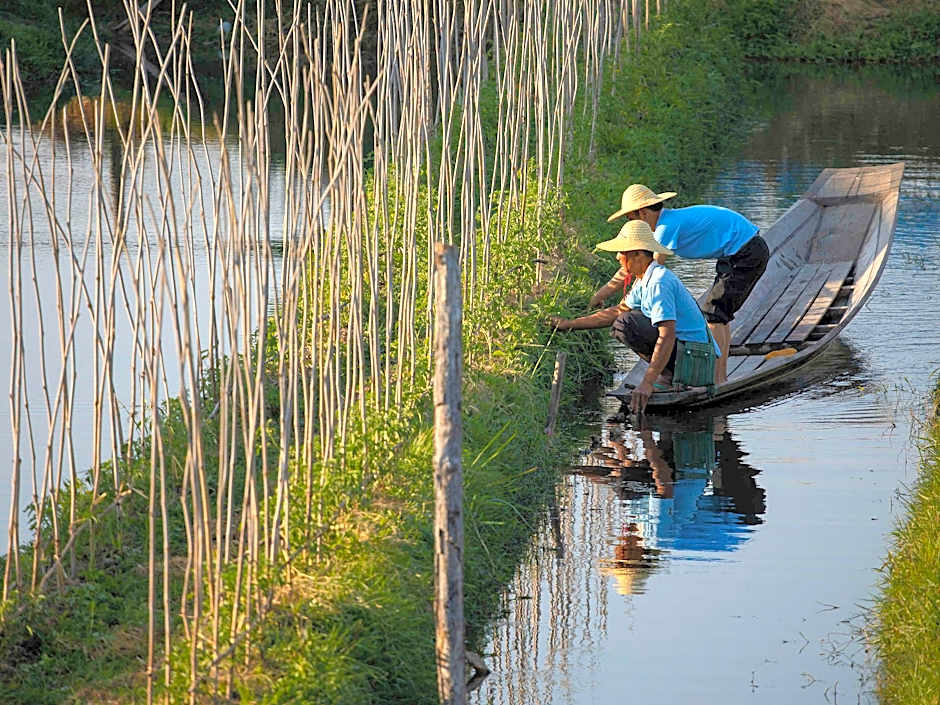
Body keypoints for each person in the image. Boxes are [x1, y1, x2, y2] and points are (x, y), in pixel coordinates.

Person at [599, 184, 769, 384]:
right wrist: (599, 296)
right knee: (717, 314)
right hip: (735, 252)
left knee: (714, 314)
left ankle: (717, 379)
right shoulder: (664, 224)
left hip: (745, 251)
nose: (631, 224)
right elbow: (630, 268)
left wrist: (623, 303)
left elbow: (647, 270)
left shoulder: (665, 228)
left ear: (643, 213)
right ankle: (719, 377)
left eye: (630, 219)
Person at [549, 220, 719, 414]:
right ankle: (668, 375)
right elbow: (618, 311)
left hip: (696, 359)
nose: (618, 257)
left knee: (626, 323)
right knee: (622, 322)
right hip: (685, 353)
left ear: (638, 254)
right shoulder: (643, 279)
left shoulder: (658, 283)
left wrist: (647, 382)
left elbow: (667, 334)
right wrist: (569, 324)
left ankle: (669, 377)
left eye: (622, 252)